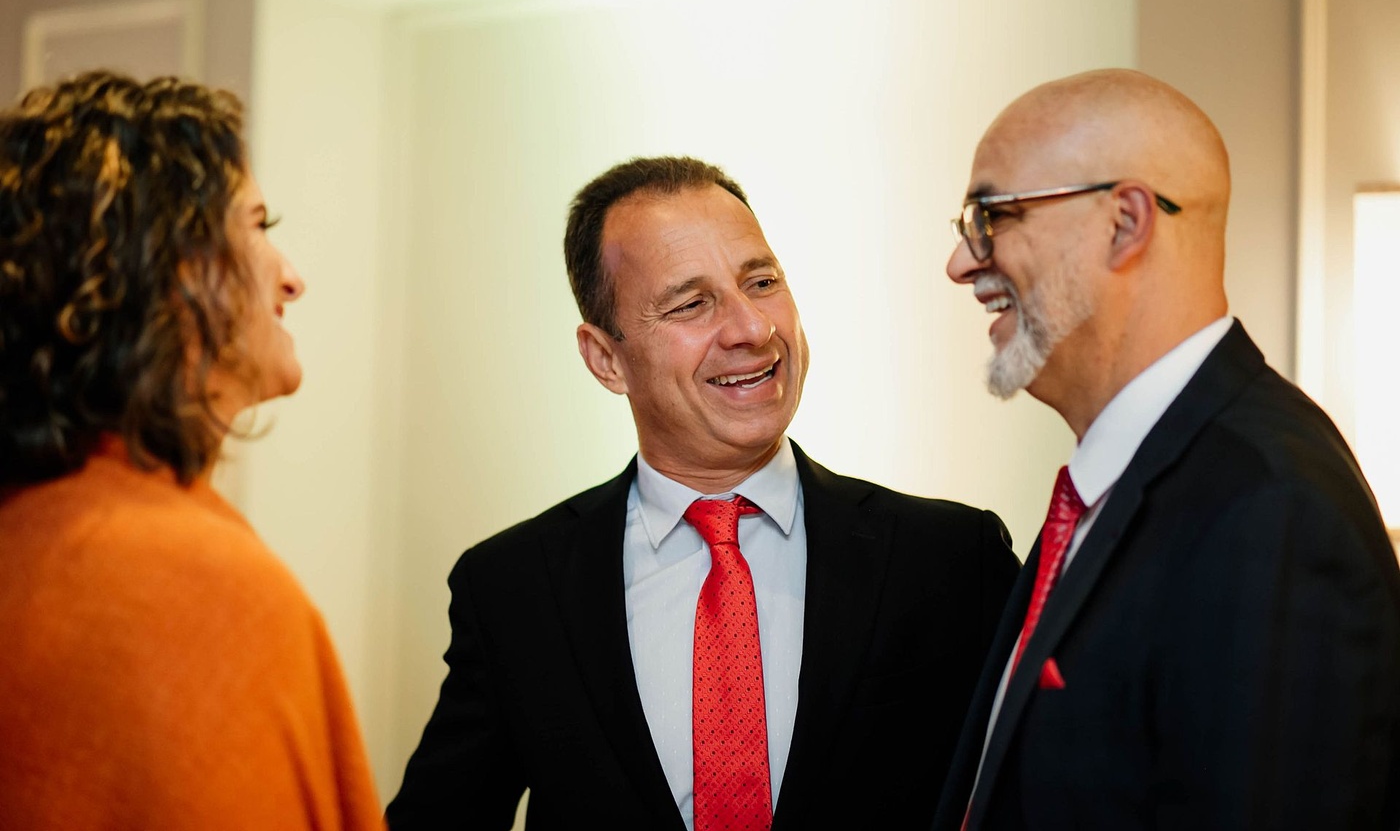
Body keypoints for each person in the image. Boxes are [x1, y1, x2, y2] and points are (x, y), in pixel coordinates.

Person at [387, 155, 1019, 830]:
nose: (752, 328)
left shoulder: (951, 560)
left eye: (762, 282)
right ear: (606, 358)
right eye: (691, 304)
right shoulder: (515, 587)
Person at [933, 68, 1400, 830]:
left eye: (992, 215)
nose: (961, 262)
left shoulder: (1271, 506)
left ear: (1125, 222)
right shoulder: (1118, 488)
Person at [0, 71, 384, 829]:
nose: (293, 279)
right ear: (177, 268)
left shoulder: (26, 536)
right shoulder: (205, 592)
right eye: (260, 225)